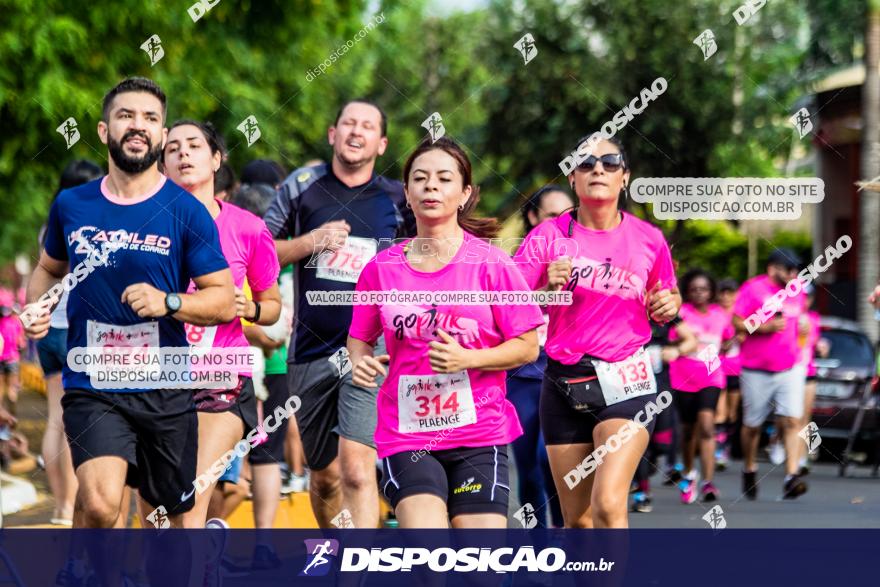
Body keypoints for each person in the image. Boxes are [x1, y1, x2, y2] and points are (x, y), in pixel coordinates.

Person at [21, 77, 236, 530]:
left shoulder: (186, 210)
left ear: (160, 135)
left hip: (165, 386)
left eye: (150, 119)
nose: (138, 126)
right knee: (100, 504)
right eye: (126, 116)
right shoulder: (71, 205)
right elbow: (47, 270)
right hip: (92, 378)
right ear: (104, 131)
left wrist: (169, 301)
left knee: (172, 515)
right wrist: (36, 307)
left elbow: (222, 299)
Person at [348, 136, 542, 528]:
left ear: (465, 193)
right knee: (428, 552)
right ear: (406, 191)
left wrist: (470, 359)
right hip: (408, 435)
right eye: (419, 178)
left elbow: (528, 346)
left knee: (480, 566)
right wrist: (360, 362)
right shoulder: (381, 270)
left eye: (443, 178)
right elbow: (359, 338)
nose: (430, 186)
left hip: (478, 432)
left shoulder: (492, 264)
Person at [514, 134, 680, 528]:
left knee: (607, 504)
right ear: (573, 178)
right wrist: (544, 291)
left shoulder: (649, 239)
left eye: (609, 162)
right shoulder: (546, 238)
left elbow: (665, 300)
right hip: (564, 381)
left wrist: (668, 307)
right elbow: (512, 310)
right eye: (586, 163)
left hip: (626, 380)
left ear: (625, 176)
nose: (598, 170)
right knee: (578, 520)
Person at [263, 99, 415, 528]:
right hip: (311, 347)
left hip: (370, 347)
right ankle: (334, 552)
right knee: (326, 476)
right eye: (348, 122)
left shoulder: (396, 198)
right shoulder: (301, 186)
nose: (356, 131)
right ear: (333, 134)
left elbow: (424, 257)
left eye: (367, 126)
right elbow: (259, 254)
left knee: (356, 469)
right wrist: (310, 242)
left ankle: (358, 569)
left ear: (381, 143)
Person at [162, 120, 281, 540]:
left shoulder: (248, 229)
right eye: (172, 148)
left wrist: (251, 307)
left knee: (191, 497)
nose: (182, 154)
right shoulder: (145, 226)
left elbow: (272, 306)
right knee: (158, 512)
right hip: (155, 377)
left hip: (222, 377)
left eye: (193, 145)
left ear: (215, 160)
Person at [36, 159, 103, 526]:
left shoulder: (50, 224)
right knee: (80, 421)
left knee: (54, 419)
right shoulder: (87, 220)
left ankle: (62, 506)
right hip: (77, 331)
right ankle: (75, 501)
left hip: (48, 331)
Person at [506, 184, 572, 527]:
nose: (562, 224)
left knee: (551, 457)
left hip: (568, 370)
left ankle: (564, 529)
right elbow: (508, 310)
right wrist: (547, 291)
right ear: (534, 217)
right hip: (525, 372)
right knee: (528, 467)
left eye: (568, 215)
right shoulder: (519, 260)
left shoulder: (585, 254)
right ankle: (536, 548)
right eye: (552, 216)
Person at [732, 248, 808, 500]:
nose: (794, 273)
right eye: (789, 269)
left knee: (792, 420)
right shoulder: (753, 289)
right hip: (756, 370)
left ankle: (791, 476)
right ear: (773, 268)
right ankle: (749, 468)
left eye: (796, 269)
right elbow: (736, 321)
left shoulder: (797, 291)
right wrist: (762, 327)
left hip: (790, 368)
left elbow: (799, 321)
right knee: (752, 426)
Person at [668, 269, 734, 504]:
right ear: (687, 291)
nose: (699, 293)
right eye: (694, 289)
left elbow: (728, 338)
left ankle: (708, 482)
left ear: (711, 292)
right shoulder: (681, 313)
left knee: (707, 425)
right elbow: (673, 339)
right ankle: (688, 474)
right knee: (688, 431)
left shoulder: (720, 315)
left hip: (711, 377)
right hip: (683, 377)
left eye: (704, 289)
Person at [632, 315, 697, 513]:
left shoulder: (664, 312)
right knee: (639, 441)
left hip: (661, 385)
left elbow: (691, 340)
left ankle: (649, 468)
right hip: (632, 387)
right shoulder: (621, 308)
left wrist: (676, 350)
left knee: (662, 444)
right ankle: (642, 493)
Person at [715, 278, 743, 466]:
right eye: (723, 292)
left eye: (730, 292)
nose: (726, 296)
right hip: (716, 368)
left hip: (737, 367)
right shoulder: (714, 313)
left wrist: (738, 337)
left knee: (733, 413)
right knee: (720, 411)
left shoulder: (741, 315)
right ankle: (719, 448)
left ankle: (728, 446)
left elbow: (747, 336)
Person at [796, 284, 821, 476]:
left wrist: (822, 345)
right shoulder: (789, 317)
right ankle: (779, 443)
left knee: (805, 416)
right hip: (790, 371)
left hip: (809, 371)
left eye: (809, 297)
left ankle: (803, 456)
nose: (806, 300)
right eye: (802, 296)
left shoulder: (814, 318)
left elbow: (815, 342)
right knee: (791, 416)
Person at [0, 290, 24, 413]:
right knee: (12, 390)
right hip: (12, 359)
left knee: (0, 390)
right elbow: (21, 343)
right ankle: (12, 422)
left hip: (1, 359)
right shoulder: (16, 323)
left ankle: (2, 423)